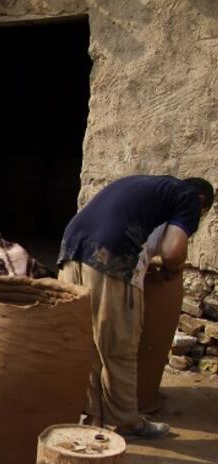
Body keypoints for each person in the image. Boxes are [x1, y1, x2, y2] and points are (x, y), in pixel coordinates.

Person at [57, 175, 214, 439]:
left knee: (87, 342)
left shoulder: (148, 188)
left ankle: (93, 415)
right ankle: (126, 421)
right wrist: (172, 271)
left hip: (71, 250)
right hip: (109, 257)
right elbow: (173, 252)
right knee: (119, 345)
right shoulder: (187, 197)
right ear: (201, 201)